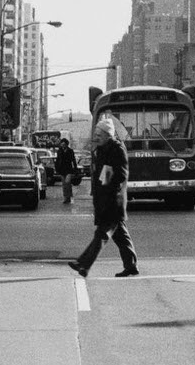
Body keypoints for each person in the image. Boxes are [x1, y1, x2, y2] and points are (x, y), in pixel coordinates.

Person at [67, 117, 138, 279]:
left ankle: (83, 264)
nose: (96, 136)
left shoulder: (116, 149)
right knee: (121, 236)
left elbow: (121, 174)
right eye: (96, 133)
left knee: (102, 234)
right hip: (104, 199)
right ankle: (131, 265)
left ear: (108, 135)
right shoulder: (102, 149)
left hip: (113, 199)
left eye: (99, 134)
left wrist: (107, 183)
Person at [55, 138, 78, 204]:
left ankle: (69, 196)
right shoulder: (59, 151)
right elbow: (57, 160)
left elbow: (73, 160)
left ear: (66, 144)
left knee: (67, 182)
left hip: (69, 169)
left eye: (64, 144)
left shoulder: (70, 151)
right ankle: (66, 197)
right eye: (62, 144)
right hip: (62, 170)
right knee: (64, 184)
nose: (63, 146)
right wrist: (56, 168)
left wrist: (75, 169)